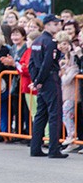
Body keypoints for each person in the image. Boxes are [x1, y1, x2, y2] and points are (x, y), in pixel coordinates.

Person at [29, 14, 68, 158]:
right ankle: (53, 149)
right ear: (47, 25)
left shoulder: (37, 41)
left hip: (42, 81)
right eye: (55, 24)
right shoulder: (50, 42)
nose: (58, 27)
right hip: (50, 80)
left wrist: (36, 80)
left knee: (40, 115)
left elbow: (31, 64)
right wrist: (39, 80)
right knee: (54, 115)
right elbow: (47, 64)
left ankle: (35, 147)